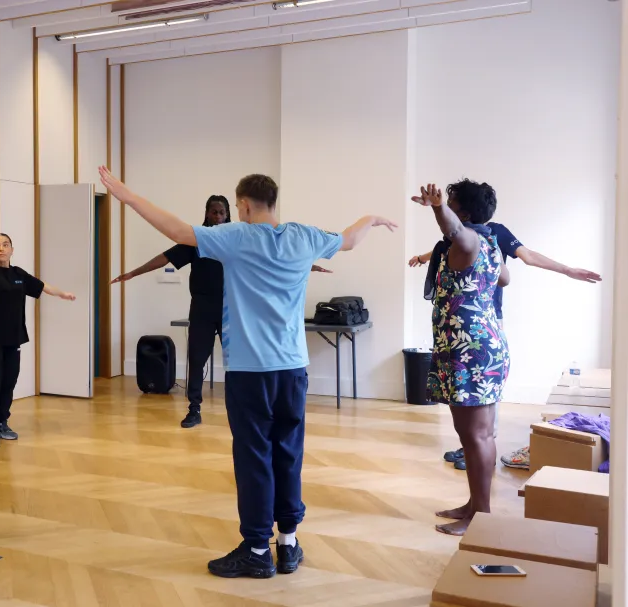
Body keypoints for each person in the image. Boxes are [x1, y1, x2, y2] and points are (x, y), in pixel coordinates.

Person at [98, 165, 395, 578]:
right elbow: (349, 238)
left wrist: (126, 195)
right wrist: (373, 219)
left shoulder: (236, 237)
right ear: (274, 202)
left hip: (250, 373)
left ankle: (258, 548)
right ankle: (288, 544)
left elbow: (177, 231)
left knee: (255, 457)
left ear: (244, 205)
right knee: (288, 454)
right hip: (293, 370)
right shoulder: (305, 236)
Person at [115, 196, 331, 429]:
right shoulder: (197, 241)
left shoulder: (236, 239)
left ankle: (242, 407)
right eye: (213, 212)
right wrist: (134, 273)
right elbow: (165, 257)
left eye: (222, 212)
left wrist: (307, 265)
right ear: (207, 214)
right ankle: (194, 408)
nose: (218, 217)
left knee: (237, 360)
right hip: (202, 309)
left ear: (228, 214)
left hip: (234, 308)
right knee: (197, 359)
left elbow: (270, 258)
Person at [410, 222, 601, 471]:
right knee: (465, 389)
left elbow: (528, 256)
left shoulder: (496, 232)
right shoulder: (457, 232)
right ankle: (471, 445)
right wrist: (423, 257)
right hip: (459, 321)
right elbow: (445, 249)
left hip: (486, 318)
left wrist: (567, 270)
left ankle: (481, 448)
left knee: (484, 386)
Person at [414, 181, 510, 536]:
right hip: (471, 348)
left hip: (473, 352)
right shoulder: (487, 245)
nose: (448, 207)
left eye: (453, 203)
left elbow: (454, 230)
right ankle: (473, 504)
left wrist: (439, 209)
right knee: (471, 434)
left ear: (464, 213)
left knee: (477, 436)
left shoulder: (468, 240)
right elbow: (505, 278)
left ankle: (481, 515)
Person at [0, 233, 75, 448]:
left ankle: (1, 421)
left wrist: (63, 294)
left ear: (12, 250)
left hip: (14, 339)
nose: (1, 248)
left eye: (5, 245)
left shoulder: (19, 275)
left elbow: (42, 286)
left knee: (9, 382)